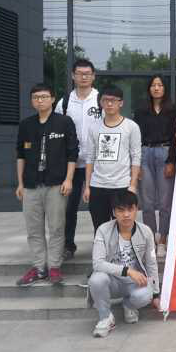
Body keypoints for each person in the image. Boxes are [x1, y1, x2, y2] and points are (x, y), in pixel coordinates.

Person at [15, 83, 79, 286]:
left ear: (52, 99)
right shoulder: (26, 125)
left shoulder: (64, 122)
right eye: (36, 97)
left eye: (43, 97)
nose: (40, 100)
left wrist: (69, 179)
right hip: (31, 185)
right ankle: (38, 268)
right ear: (32, 101)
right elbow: (20, 155)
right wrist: (20, 183)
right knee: (34, 230)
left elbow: (72, 153)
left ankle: (54, 267)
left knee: (57, 228)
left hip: (56, 184)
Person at [88, 191, 159, 338]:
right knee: (96, 279)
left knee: (146, 294)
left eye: (130, 209)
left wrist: (156, 293)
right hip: (112, 281)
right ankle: (105, 317)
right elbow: (98, 263)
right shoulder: (103, 230)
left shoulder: (145, 231)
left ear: (136, 209)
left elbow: (151, 263)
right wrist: (128, 271)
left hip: (135, 282)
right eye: (121, 210)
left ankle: (129, 305)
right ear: (114, 212)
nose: (126, 215)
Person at [55, 58, 101, 261]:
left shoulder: (100, 100)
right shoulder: (64, 102)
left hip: (97, 163)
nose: (83, 77)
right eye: (80, 73)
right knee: (68, 207)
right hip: (70, 164)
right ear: (73, 76)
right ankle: (67, 245)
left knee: (98, 208)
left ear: (93, 76)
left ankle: (101, 246)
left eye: (87, 73)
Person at [83, 86, 142, 233]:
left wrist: (133, 185)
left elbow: (136, 157)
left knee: (124, 227)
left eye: (113, 100)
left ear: (121, 103)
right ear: (101, 102)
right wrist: (88, 186)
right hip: (98, 185)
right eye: (105, 100)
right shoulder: (94, 127)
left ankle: (123, 249)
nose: (109, 104)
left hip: (121, 185)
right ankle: (102, 249)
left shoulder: (131, 127)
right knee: (100, 228)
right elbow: (90, 157)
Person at [133, 75, 176, 259]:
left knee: (166, 202)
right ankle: (151, 239)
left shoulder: (174, 110)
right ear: (149, 88)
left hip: (165, 152)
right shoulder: (141, 110)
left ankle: (163, 239)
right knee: (147, 202)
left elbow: (175, 138)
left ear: (165, 88)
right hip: (145, 153)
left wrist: (171, 161)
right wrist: (136, 164)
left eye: (160, 85)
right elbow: (135, 137)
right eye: (153, 85)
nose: (156, 88)